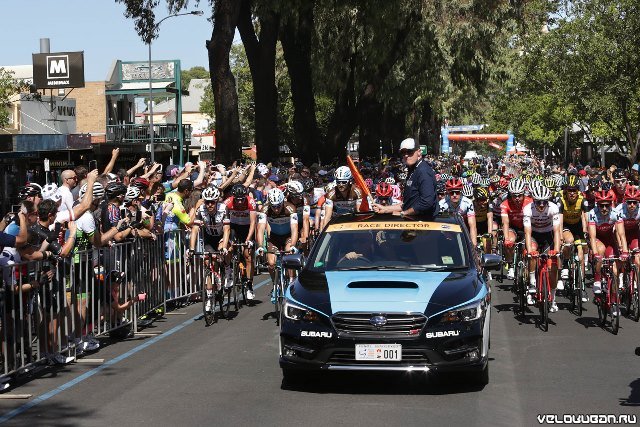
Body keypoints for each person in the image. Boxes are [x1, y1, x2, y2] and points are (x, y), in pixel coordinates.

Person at [373, 138, 437, 218]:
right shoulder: (413, 170)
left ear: (419, 152)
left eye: (410, 152)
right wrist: (385, 209)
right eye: (403, 152)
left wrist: (403, 213)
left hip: (423, 224)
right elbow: (407, 203)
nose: (406, 155)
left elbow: (426, 202)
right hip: (412, 222)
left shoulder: (423, 171)